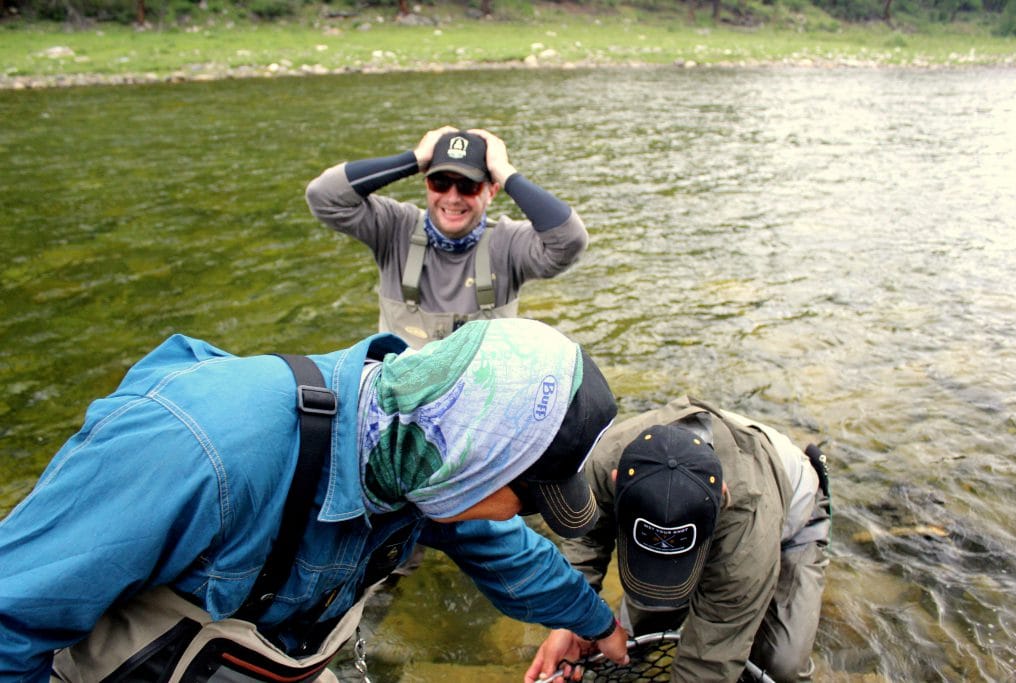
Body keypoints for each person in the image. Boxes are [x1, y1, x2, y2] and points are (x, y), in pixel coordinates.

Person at [0, 318, 631, 682]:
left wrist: (594, 624)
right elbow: (11, 619)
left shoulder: (417, 450)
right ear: (478, 459)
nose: (519, 517)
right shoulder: (199, 452)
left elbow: (509, 558)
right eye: (526, 499)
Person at [526, 396, 831, 683]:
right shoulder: (604, 462)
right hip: (721, 506)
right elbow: (587, 536)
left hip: (791, 522)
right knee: (643, 620)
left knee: (780, 665)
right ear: (617, 481)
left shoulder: (747, 533)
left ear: (722, 497)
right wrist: (575, 620)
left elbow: (709, 661)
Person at [305, 125, 588, 349]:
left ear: (491, 192)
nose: (452, 198)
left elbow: (570, 240)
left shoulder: (509, 243)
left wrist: (504, 170)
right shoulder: (393, 227)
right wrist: (414, 159)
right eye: (440, 182)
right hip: (402, 401)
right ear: (426, 184)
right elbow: (323, 196)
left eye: (468, 186)